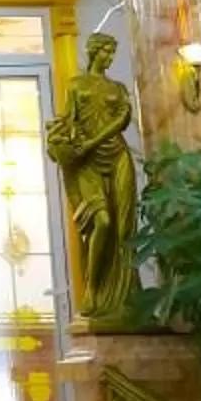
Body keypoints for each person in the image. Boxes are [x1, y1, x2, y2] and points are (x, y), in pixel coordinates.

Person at [46, 33, 141, 328]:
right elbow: (67, 119)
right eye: (106, 52)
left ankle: (125, 295)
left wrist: (93, 141)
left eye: (113, 53)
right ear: (94, 52)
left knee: (123, 226)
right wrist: (59, 140)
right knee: (101, 221)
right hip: (86, 162)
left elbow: (121, 120)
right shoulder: (76, 85)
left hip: (116, 155)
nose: (110, 58)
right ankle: (93, 289)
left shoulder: (118, 88)